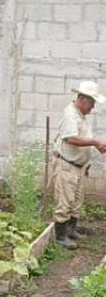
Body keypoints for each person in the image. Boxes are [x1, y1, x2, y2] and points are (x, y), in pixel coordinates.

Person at [52, 81, 106, 249]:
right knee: (65, 201)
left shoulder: (80, 115)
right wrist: (95, 142)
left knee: (76, 201)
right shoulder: (70, 114)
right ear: (83, 99)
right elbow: (71, 139)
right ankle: (61, 237)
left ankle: (70, 231)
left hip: (78, 166)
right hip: (67, 165)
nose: (93, 107)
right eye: (92, 103)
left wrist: (86, 162)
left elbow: (80, 138)